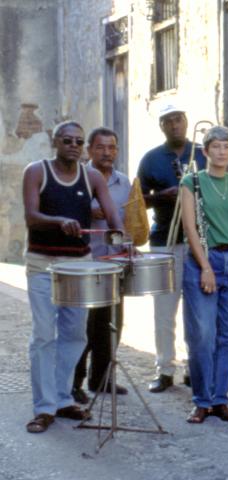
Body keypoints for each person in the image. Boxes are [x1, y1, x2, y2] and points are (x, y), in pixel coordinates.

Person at [22, 120, 123, 433]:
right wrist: (59, 221)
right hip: (44, 263)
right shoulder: (36, 171)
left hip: (79, 264)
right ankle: (43, 407)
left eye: (79, 142)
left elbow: (111, 213)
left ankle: (63, 398)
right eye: (68, 140)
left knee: (75, 334)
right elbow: (31, 217)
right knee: (43, 335)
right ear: (55, 142)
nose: (75, 146)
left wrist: (119, 232)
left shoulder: (91, 175)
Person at [180, 126, 228, 424]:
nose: (222, 152)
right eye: (216, 146)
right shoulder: (192, 182)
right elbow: (190, 228)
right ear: (206, 151)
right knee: (202, 335)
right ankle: (202, 400)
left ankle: (220, 398)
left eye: (227, 146)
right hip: (204, 260)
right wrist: (206, 267)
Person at [137, 103, 206, 392]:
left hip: (201, 241)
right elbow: (137, 202)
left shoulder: (203, 152)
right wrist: (163, 195)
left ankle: (195, 368)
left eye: (179, 119)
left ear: (186, 121)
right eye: (168, 121)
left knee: (198, 309)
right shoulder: (151, 159)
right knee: (164, 310)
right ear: (162, 126)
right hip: (165, 239)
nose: (175, 124)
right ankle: (164, 369)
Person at [72, 128, 131, 404]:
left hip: (114, 264)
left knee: (111, 324)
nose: (107, 152)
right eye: (100, 147)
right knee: (82, 327)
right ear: (89, 150)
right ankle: (74, 383)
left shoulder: (124, 183)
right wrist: (86, 212)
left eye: (112, 147)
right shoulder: (75, 179)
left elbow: (127, 221)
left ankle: (102, 379)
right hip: (86, 263)